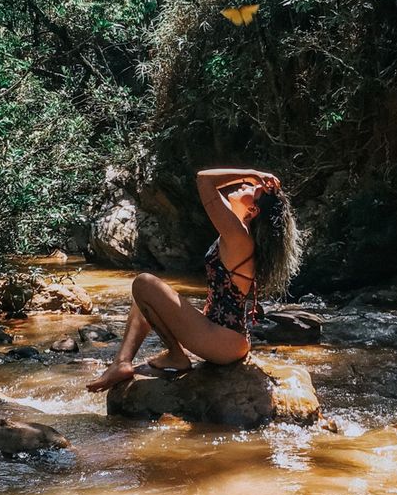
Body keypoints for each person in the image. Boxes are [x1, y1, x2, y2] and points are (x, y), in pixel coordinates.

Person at [86, 167, 301, 393]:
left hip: (223, 342)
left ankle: (173, 357)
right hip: (224, 335)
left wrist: (250, 173)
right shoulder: (238, 228)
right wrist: (254, 179)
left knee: (144, 283)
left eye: (252, 189)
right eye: (249, 184)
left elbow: (204, 180)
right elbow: (209, 184)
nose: (246, 185)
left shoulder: (239, 236)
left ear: (253, 210)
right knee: (145, 302)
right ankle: (129, 362)